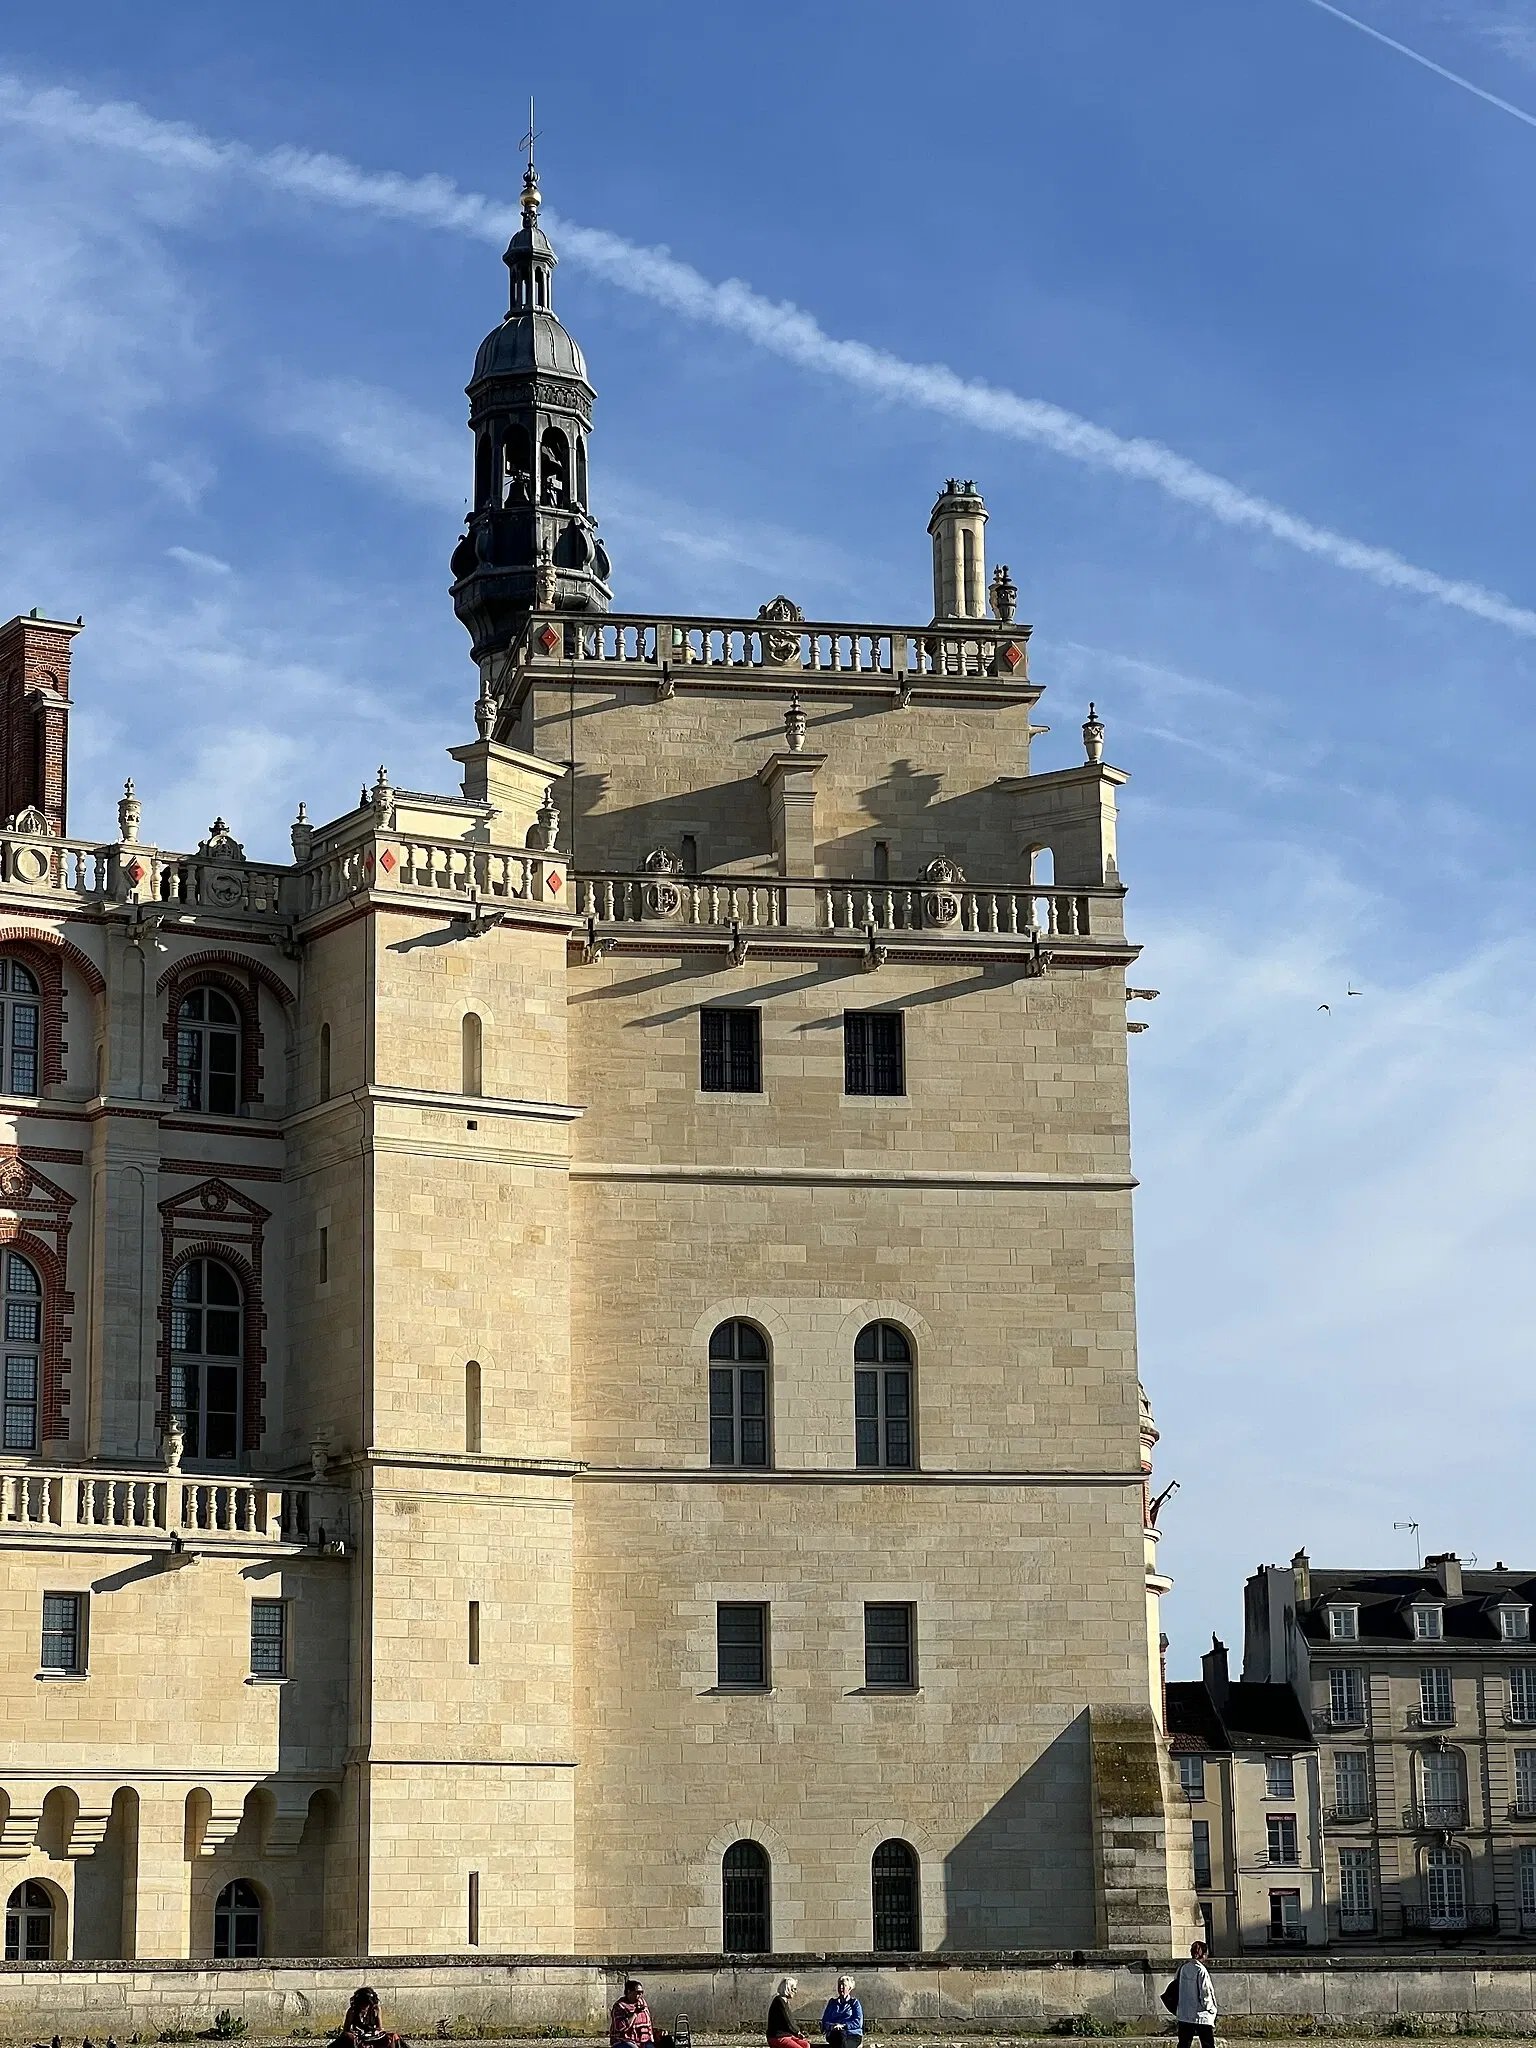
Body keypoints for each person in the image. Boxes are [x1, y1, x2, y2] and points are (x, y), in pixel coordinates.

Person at [1174, 1942, 1217, 2048]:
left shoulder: (1182, 1968)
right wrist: (1211, 2009)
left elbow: (1176, 1986)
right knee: (1207, 2044)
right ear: (1204, 1954)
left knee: (1184, 2044)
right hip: (1201, 2015)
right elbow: (1205, 1993)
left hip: (1184, 2014)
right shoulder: (1201, 1970)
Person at [337, 1990, 405, 2048]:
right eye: (363, 2004)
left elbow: (379, 2028)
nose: (365, 2006)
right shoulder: (352, 2011)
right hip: (359, 2037)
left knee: (393, 2036)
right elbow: (346, 2030)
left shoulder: (376, 2009)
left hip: (373, 2037)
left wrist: (376, 2032)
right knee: (348, 2039)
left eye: (367, 2004)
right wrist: (353, 2033)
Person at [767, 1978, 810, 2048]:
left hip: (787, 2035)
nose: (795, 1992)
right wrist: (797, 2032)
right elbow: (788, 2022)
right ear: (788, 1989)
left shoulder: (784, 2001)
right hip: (777, 2036)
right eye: (794, 1989)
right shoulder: (779, 2002)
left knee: (806, 2045)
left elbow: (790, 2022)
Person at [611, 1980, 655, 2048]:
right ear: (629, 1992)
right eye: (637, 1992)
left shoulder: (641, 2002)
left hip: (643, 2040)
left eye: (641, 1992)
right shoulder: (620, 2006)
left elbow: (648, 2021)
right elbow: (619, 2027)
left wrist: (651, 2037)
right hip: (625, 2039)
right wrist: (634, 2014)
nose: (640, 1995)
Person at [821, 1977, 863, 2048]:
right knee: (840, 2036)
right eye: (839, 1985)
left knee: (843, 2044)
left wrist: (843, 2026)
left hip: (852, 2035)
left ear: (849, 1988)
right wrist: (832, 2026)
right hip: (835, 2034)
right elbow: (825, 2021)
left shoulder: (854, 2003)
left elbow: (858, 2022)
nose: (841, 1987)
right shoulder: (832, 2003)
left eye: (844, 1985)